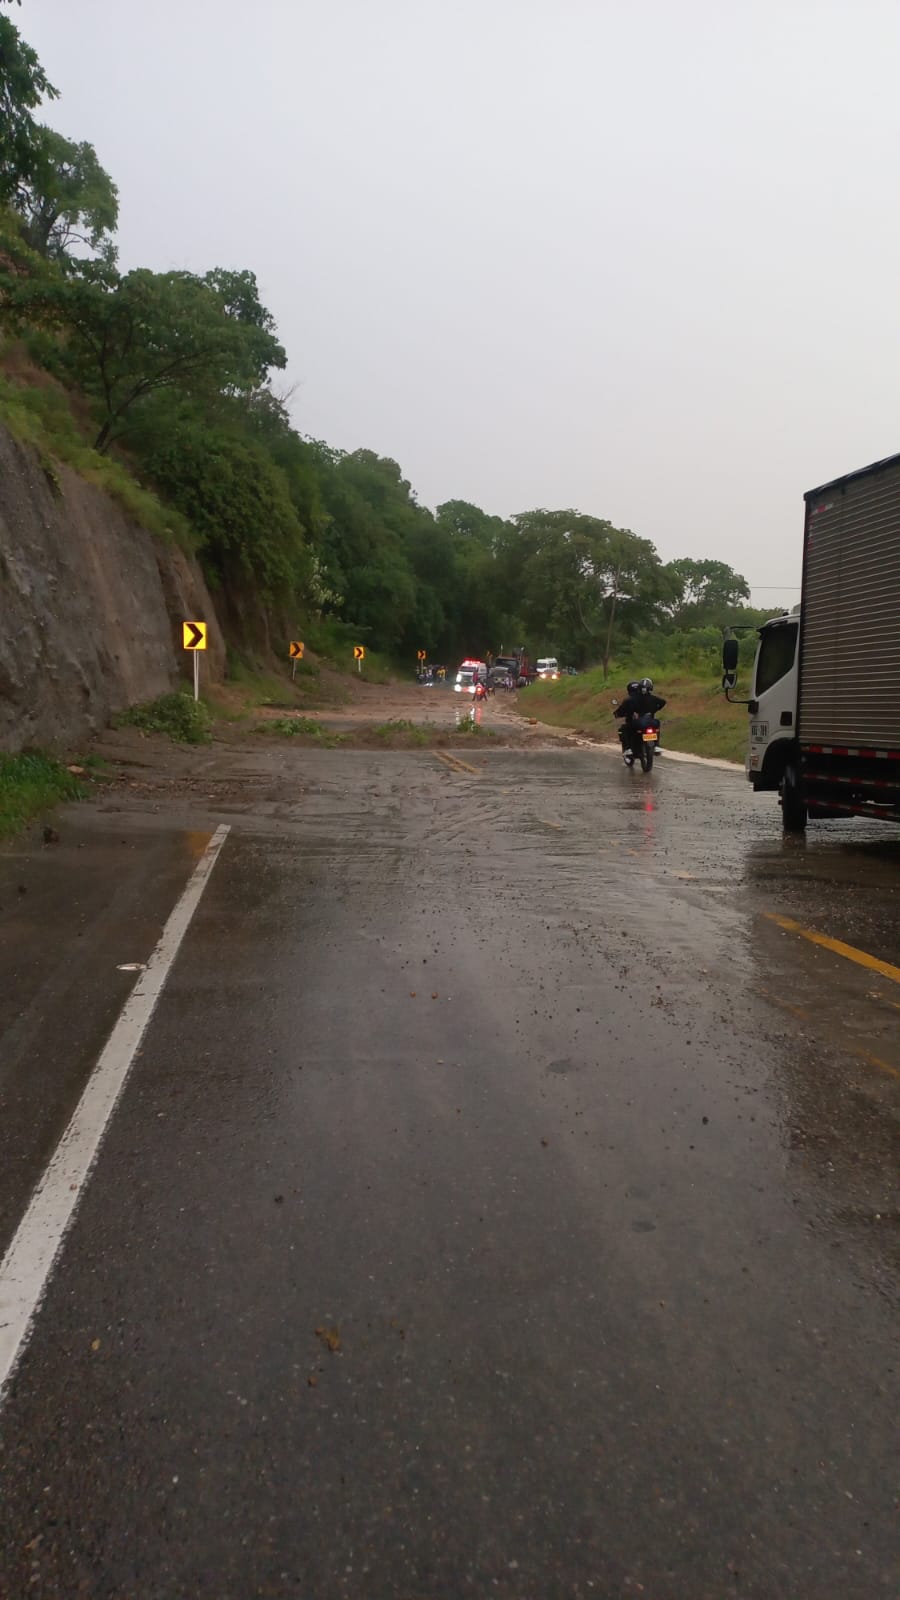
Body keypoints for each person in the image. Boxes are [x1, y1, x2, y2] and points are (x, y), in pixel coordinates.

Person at [615, 677, 667, 761]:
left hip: (638, 723)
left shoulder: (632, 699)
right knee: (657, 724)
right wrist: (654, 710)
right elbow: (663, 702)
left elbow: (624, 709)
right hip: (652, 722)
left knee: (625, 728)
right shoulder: (653, 698)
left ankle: (628, 748)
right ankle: (657, 745)